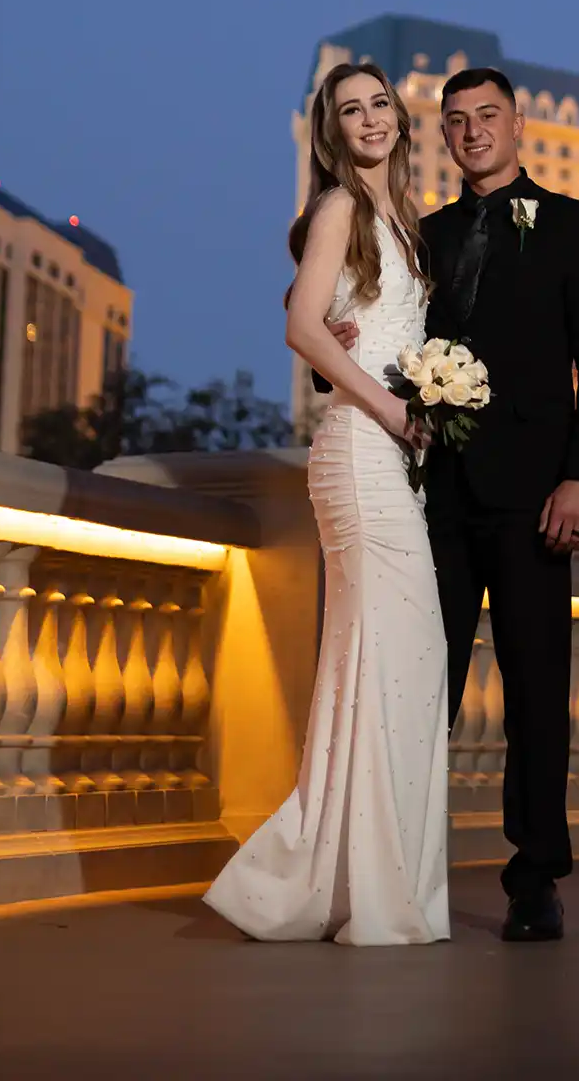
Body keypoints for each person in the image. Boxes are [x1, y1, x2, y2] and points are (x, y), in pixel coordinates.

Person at [332, 66, 579, 942]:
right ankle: (400, 871)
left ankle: (535, 879)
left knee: (536, 692)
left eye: (487, 116)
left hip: (538, 497)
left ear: (519, 123)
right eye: (456, 121)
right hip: (435, 497)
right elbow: (385, 345)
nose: (472, 132)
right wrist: (339, 344)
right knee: (426, 687)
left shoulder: (575, 225)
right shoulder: (424, 235)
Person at [203, 61, 449, 946]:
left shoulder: (406, 222)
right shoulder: (340, 207)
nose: (371, 118)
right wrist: (390, 409)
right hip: (358, 451)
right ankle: (360, 888)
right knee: (391, 656)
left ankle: (361, 883)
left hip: (392, 457)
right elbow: (302, 326)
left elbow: (362, 325)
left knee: (392, 661)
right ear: (332, 131)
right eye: (352, 110)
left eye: (381, 103)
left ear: (401, 119)